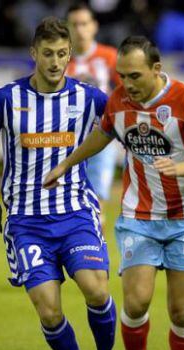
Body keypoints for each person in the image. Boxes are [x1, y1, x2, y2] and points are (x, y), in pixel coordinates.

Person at [43, 35, 184, 350]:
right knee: (137, 302)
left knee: (181, 312)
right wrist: (66, 163)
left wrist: (181, 167)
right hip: (139, 218)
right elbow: (102, 135)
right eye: (121, 76)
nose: (128, 83)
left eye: (135, 75)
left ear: (157, 70)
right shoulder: (119, 102)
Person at [0, 17, 121, 350]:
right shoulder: (6, 99)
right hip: (26, 223)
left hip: (75, 214)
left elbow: (124, 121)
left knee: (96, 289)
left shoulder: (88, 98)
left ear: (70, 55)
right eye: (48, 54)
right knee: (49, 310)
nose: (55, 62)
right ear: (33, 53)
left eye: (62, 54)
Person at [65, 3, 121, 208]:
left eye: (84, 23)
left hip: (101, 139)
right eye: (75, 24)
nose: (80, 29)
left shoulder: (110, 57)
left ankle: (95, 241)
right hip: (66, 142)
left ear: (94, 26)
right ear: (67, 27)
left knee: (96, 206)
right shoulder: (57, 60)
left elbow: (127, 93)